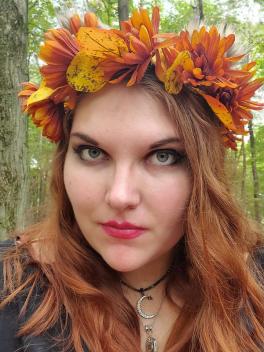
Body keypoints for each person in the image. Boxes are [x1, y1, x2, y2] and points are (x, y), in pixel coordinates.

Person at [0, 6, 263, 352]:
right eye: (93, 153)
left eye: (163, 156)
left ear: (205, 172)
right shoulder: (11, 289)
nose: (120, 196)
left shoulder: (254, 284)